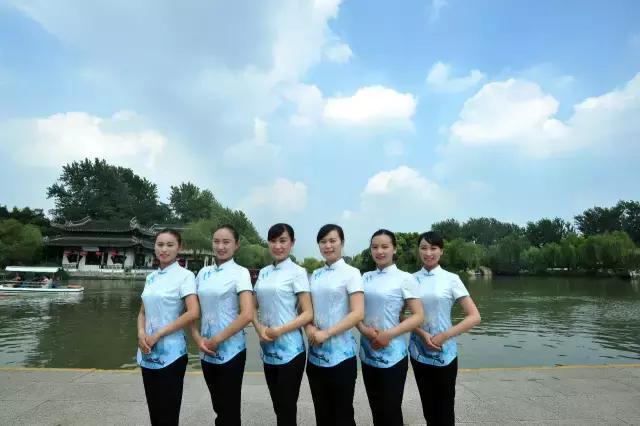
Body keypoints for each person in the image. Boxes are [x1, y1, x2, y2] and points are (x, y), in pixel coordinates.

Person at [409, 231, 481, 425]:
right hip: (418, 351)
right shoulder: (409, 279)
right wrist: (422, 333)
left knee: (445, 407)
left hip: (445, 351)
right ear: (418, 251)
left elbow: (474, 316)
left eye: (433, 248)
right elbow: (399, 315)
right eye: (423, 248)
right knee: (428, 406)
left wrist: (445, 335)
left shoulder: (451, 279)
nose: (428, 253)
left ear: (441, 251)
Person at [357, 229, 424, 426]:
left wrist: (388, 334)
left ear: (394, 249)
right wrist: (364, 330)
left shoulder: (405, 278)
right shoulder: (364, 278)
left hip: (393, 354)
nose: (380, 251)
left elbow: (418, 316)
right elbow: (355, 312)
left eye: (385, 246)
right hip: (368, 352)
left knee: (391, 410)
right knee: (376, 408)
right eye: (375, 247)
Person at [190, 225, 254, 426]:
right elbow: (191, 311)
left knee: (230, 408)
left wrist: (217, 339)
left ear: (236, 245)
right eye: (216, 241)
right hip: (206, 349)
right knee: (218, 405)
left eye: (226, 242)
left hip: (231, 350)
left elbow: (247, 314)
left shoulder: (240, 273)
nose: (220, 246)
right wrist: (198, 339)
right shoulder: (203, 273)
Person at [136, 229, 200, 426]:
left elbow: (193, 312)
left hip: (172, 354)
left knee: (168, 414)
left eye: (170, 245)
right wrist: (141, 333)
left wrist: (158, 334)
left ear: (179, 248)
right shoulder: (151, 277)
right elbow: (142, 312)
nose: (164, 249)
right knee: (154, 410)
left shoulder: (185, 276)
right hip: (147, 351)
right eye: (160, 244)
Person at [253, 223, 313, 426]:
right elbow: (251, 307)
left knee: (287, 407)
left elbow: (308, 313)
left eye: (283, 241)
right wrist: (259, 328)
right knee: (278, 405)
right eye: (273, 241)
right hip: (267, 348)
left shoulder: (298, 272)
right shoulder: (264, 273)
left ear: (292, 243)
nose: (277, 246)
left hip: (291, 350)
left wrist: (280, 330)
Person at [305, 224, 364, 426]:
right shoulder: (315, 274)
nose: (328, 245)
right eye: (323, 242)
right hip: (315, 356)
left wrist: (327, 333)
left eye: (332, 240)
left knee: (343, 414)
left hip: (341, 356)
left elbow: (358, 312)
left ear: (342, 242)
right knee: (322, 414)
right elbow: (306, 309)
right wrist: (309, 328)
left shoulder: (352, 273)